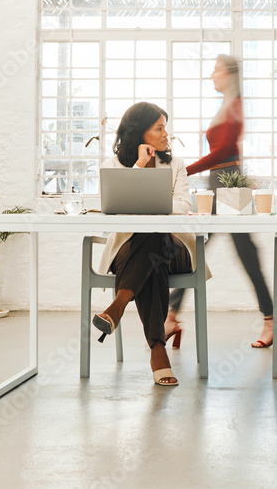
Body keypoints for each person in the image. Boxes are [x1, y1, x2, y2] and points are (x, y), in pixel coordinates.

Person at [165, 54, 276, 349]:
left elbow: (223, 152)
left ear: (229, 73)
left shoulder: (235, 106)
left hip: (228, 183)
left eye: (216, 70)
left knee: (243, 253)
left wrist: (183, 170)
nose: (211, 75)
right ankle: (172, 315)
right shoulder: (227, 105)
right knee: (196, 247)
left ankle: (271, 320)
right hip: (217, 183)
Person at [92, 102, 204, 387]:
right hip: (130, 249)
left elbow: (182, 204)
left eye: (164, 126)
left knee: (154, 235)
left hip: (174, 247)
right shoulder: (114, 166)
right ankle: (157, 349)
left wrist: (151, 211)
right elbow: (117, 211)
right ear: (141, 134)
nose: (166, 133)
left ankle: (118, 305)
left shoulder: (175, 164)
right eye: (159, 128)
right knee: (149, 247)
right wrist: (140, 167)